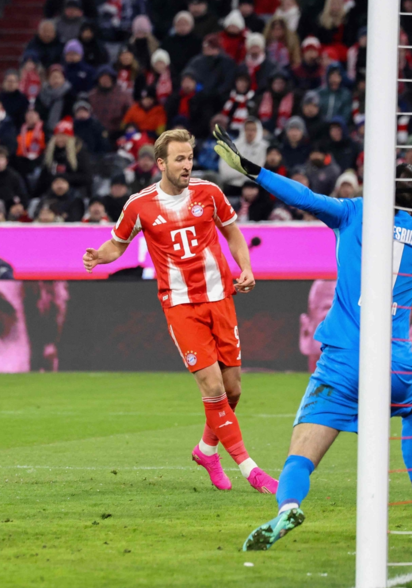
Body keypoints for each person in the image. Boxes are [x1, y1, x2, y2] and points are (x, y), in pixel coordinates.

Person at [210, 125, 412, 548]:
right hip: (395, 361)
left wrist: (254, 170)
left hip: (342, 360)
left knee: (301, 451)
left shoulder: (355, 212)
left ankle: (287, 507)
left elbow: (302, 196)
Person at [82, 128, 276, 494]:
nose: (187, 166)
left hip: (220, 298)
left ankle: (206, 450)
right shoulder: (140, 205)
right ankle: (251, 470)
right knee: (212, 385)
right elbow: (116, 245)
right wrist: (98, 256)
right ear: (161, 163)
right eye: (179, 159)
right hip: (181, 306)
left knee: (232, 390)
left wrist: (245, 267)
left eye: (190, 158)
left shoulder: (210, 193)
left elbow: (233, 233)